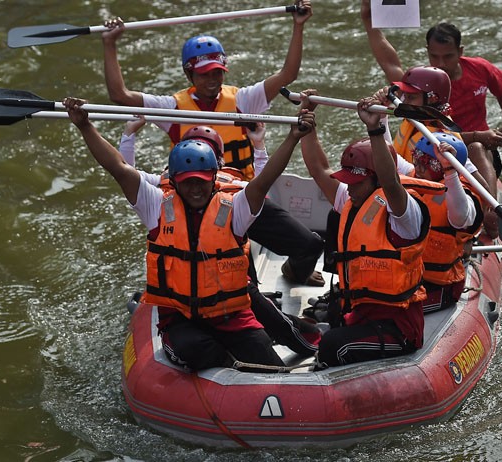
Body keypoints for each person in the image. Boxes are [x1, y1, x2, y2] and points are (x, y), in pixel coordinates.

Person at [63, 95, 316, 372]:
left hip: (231, 316)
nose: (195, 189)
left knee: (269, 364)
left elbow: (264, 180)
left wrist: (292, 138)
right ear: (174, 181)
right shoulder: (156, 205)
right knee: (195, 349)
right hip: (182, 318)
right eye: (187, 183)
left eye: (202, 182)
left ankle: (289, 342)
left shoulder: (235, 207)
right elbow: (118, 169)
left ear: (213, 178)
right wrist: (85, 126)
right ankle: (225, 360)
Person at [117, 119, 323, 357]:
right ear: (176, 176)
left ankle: (309, 340)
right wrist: (127, 135)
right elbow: (125, 173)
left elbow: (264, 181)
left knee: (262, 305)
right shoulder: (159, 198)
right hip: (185, 300)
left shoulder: (233, 195)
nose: (195, 187)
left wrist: (264, 145)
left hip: (226, 283)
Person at [297, 90, 439, 369]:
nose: (348, 187)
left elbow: (390, 181)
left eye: (356, 182)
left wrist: (375, 129)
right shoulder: (352, 198)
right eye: (347, 181)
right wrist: (308, 126)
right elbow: (318, 169)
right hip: (359, 315)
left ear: (374, 179)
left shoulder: (402, 213)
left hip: (398, 329)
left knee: (332, 346)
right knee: (311, 324)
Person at [100, 0, 313, 180]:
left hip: (240, 192)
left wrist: (299, 26)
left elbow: (288, 75)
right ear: (188, 74)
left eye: (217, 73)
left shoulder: (245, 100)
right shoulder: (172, 108)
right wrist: (110, 44)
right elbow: (120, 95)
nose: (212, 80)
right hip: (194, 193)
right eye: (204, 74)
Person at [360, 0, 502, 237]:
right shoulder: (418, 91)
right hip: (413, 173)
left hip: (461, 154)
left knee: (474, 146)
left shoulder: (443, 127)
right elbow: (389, 61)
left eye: (448, 56)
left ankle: (489, 210)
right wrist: (369, 22)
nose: (441, 63)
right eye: (434, 56)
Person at [371, 65, 499, 239]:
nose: (403, 101)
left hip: (430, 211)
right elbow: (389, 157)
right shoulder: (413, 120)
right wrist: (382, 116)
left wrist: (488, 210)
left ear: (431, 100)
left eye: (411, 97)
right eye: (404, 96)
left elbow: (478, 184)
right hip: (405, 196)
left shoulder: (444, 138)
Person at [405, 132, 485, 312]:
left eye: (425, 163)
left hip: (439, 287)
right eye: (415, 159)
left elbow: (460, 217)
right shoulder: (416, 175)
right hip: (409, 279)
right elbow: (389, 161)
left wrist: (450, 171)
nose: (417, 167)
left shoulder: (463, 199)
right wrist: (380, 124)